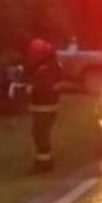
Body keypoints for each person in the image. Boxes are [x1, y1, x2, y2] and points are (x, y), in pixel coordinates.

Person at [25, 39, 63, 173]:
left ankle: (44, 164)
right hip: (43, 105)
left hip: (45, 105)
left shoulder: (49, 67)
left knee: (41, 134)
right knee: (39, 133)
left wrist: (31, 89)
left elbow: (45, 86)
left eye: (35, 52)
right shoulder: (46, 65)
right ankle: (43, 161)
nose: (32, 55)